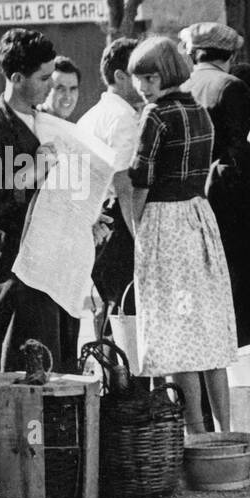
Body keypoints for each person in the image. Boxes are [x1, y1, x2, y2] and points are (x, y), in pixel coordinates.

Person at [127, 36, 239, 433]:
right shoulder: (199, 112)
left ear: (167, 73)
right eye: (138, 78)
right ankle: (226, 429)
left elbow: (140, 180)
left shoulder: (155, 115)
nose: (143, 85)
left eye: (150, 76)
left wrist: (135, 227)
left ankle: (195, 432)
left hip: (164, 220)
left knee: (177, 334)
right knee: (208, 332)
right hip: (198, 217)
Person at [0, 28, 78, 372]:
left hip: (53, 261)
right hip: (17, 268)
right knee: (19, 366)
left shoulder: (44, 121)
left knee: (56, 365)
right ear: (17, 78)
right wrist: (29, 173)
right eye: (44, 78)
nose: (51, 85)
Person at [180, 22, 250, 368]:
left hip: (189, 206)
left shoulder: (183, 87)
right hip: (231, 208)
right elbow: (241, 155)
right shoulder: (231, 87)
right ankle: (245, 374)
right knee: (243, 293)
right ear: (230, 55)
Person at [77, 37, 142, 330]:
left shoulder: (92, 116)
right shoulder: (123, 119)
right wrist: (139, 236)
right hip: (117, 222)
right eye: (138, 72)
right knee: (126, 313)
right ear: (120, 76)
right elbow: (124, 183)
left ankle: (111, 372)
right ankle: (124, 376)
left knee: (109, 308)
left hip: (93, 221)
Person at [42, 55, 82, 120]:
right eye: (60, 89)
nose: (68, 96)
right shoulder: (32, 126)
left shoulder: (69, 127)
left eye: (73, 89)